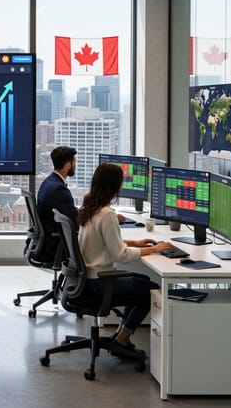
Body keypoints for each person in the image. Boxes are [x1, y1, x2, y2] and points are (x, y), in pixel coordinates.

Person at [77, 162, 174, 351]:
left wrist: (136, 243)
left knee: (144, 281)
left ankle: (121, 333)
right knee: (151, 290)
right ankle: (123, 337)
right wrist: (154, 249)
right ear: (115, 186)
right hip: (99, 282)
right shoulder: (107, 215)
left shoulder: (89, 208)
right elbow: (121, 255)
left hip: (87, 279)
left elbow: (102, 241)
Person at [36, 146, 79, 263]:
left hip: (48, 240)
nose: (75, 165)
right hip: (55, 246)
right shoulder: (58, 189)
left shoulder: (49, 181)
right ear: (68, 165)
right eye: (74, 161)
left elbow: (68, 211)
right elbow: (75, 220)